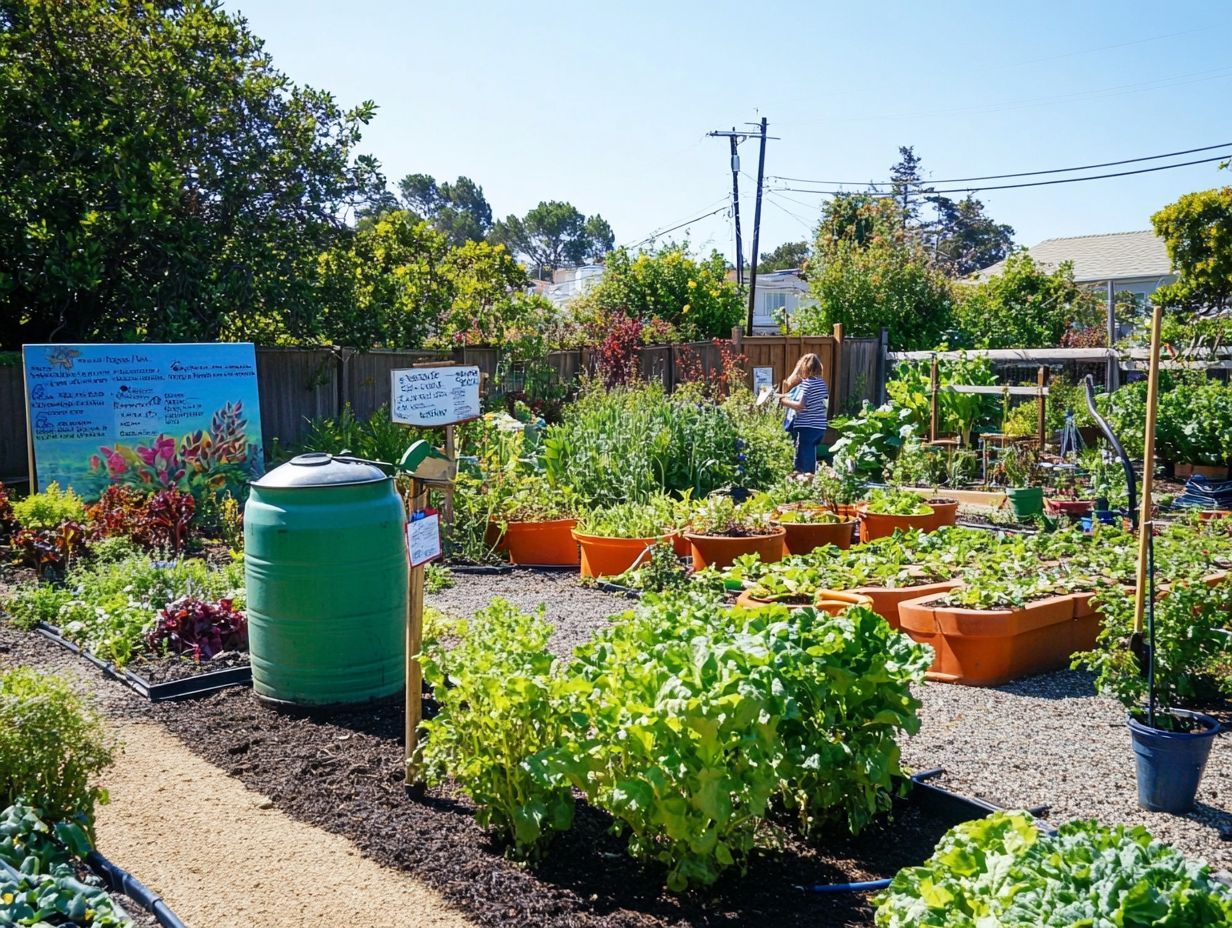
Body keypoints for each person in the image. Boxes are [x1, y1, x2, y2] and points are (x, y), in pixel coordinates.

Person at [778, 353, 829, 473]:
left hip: (807, 426)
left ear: (805, 368)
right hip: (819, 427)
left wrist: (783, 402)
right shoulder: (822, 384)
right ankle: (811, 481)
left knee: (802, 461)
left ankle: (804, 483)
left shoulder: (807, 384)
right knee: (810, 456)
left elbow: (801, 406)